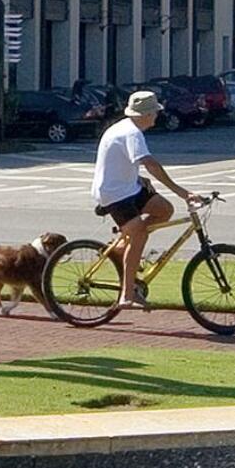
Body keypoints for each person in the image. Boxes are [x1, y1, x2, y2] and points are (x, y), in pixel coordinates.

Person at [91, 90, 201, 310]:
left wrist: (138, 179)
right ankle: (126, 294)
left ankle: (122, 246)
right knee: (140, 233)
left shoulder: (125, 128)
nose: (156, 117)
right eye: (154, 113)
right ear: (145, 114)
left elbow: (118, 162)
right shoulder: (132, 133)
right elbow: (151, 164)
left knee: (164, 210)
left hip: (128, 187)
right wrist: (183, 192)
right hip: (114, 193)